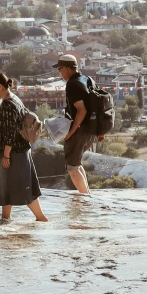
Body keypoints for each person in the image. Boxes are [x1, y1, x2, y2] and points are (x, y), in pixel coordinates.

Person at [0, 72, 48, 222]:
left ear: (0, 86)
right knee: (7, 187)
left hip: (14, 153)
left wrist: (6, 155)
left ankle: (41, 218)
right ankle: (5, 220)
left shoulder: (8, 105)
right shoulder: (14, 99)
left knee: (23, 186)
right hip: (20, 150)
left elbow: (10, 132)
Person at [56, 54, 98, 195]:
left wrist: (71, 132)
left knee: (72, 168)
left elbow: (82, 110)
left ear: (66, 68)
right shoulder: (87, 79)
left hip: (80, 130)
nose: (59, 72)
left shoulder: (73, 84)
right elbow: (98, 105)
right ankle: (86, 194)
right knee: (76, 164)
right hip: (91, 129)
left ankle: (86, 197)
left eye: (60, 69)